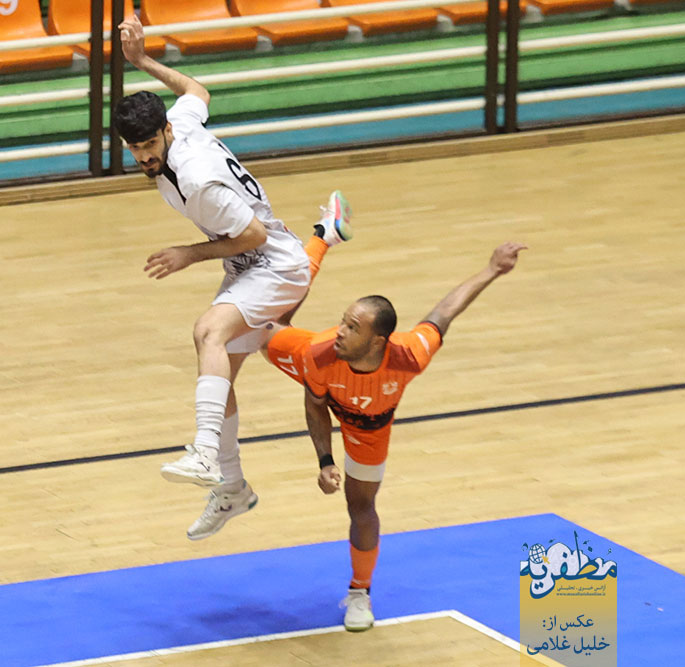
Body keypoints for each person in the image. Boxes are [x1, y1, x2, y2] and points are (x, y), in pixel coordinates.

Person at [113, 14, 354, 541]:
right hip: (251, 265)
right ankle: (233, 489)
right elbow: (197, 91)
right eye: (135, 150)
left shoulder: (198, 181)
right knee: (217, 375)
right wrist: (142, 61)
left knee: (208, 332)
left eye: (149, 145)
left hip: (274, 264)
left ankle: (205, 453)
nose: (144, 157)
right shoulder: (181, 124)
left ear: (165, 131)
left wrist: (188, 253)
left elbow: (252, 235)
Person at [262, 242, 527, 632]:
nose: (341, 331)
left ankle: (360, 592)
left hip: (369, 429)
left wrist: (492, 269)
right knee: (262, 327)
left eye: (353, 328)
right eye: (343, 322)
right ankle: (322, 238)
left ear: (377, 342)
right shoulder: (319, 352)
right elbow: (315, 403)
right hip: (324, 382)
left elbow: (444, 312)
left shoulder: (409, 355)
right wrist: (325, 460)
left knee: (362, 506)